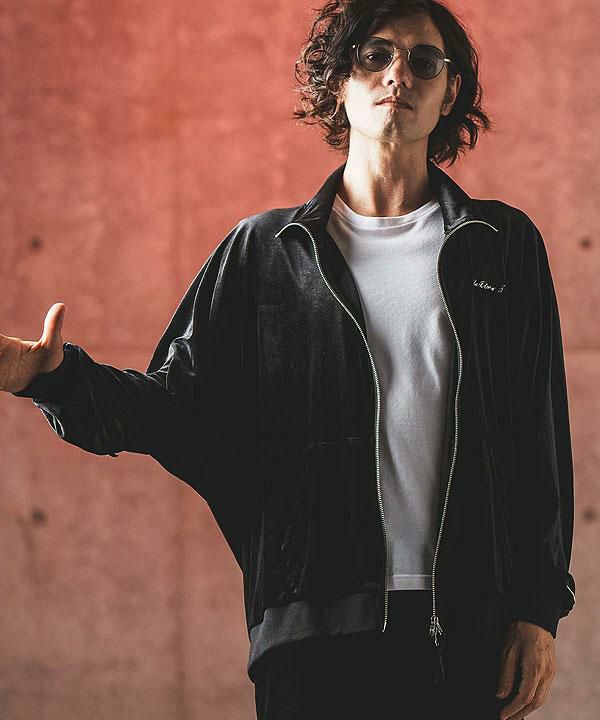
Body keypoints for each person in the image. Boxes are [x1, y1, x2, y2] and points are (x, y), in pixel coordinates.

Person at [2, 0, 576, 718]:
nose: (398, 74)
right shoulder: (265, 253)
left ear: (449, 89)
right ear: (339, 78)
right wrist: (51, 379)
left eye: (423, 60)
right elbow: (172, 409)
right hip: (311, 634)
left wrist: (537, 610)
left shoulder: (501, 245)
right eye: (374, 54)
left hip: (468, 629)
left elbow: (537, 435)